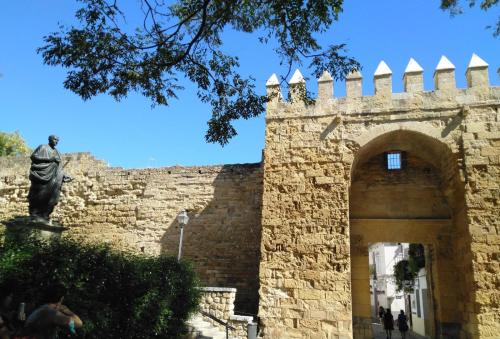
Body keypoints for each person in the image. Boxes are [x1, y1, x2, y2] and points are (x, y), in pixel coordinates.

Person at [28, 135, 72, 224]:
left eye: (58, 140)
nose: (56, 141)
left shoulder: (57, 152)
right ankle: (35, 214)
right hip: (42, 175)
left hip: (54, 178)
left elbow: (59, 167)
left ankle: (45, 214)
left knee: (52, 197)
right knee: (39, 194)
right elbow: (33, 157)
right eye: (55, 139)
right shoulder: (43, 147)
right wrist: (50, 159)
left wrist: (64, 176)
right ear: (50, 139)